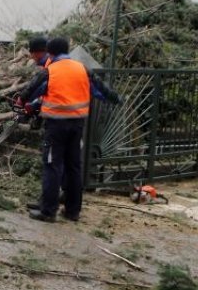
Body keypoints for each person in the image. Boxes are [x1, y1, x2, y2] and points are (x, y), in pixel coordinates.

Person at [16, 37, 120, 222]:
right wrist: (116, 99)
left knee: (52, 166)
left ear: (51, 52)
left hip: (56, 126)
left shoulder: (50, 71)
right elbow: (102, 91)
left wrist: (23, 103)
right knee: (73, 167)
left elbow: (31, 91)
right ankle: (73, 211)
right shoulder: (82, 69)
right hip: (78, 125)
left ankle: (48, 211)